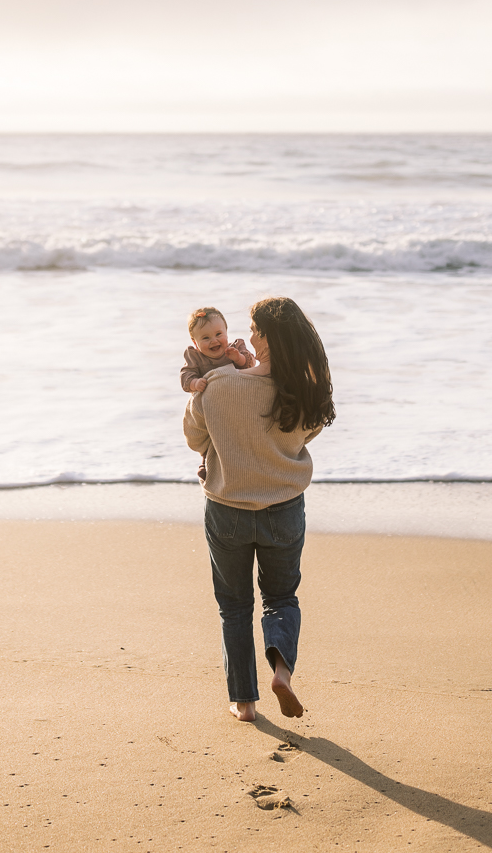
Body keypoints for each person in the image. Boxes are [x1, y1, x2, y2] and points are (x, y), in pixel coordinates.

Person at [182, 296, 335, 722]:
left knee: (234, 606)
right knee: (281, 597)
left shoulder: (217, 383)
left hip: (227, 508)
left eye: (253, 330)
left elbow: (195, 439)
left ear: (267, 338)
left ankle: (245, 702)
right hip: (283, 508)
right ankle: (282, 672)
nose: (247, 337)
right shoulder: (303, 389)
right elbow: (306, 435)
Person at [180, 306, 256, 395]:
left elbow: (251, 363)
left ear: (226, 333)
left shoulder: (236, 348)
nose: (214, 341)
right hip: (209, 399)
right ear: (195, 343)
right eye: (206, 338)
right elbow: (185, 378)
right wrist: (195, 383)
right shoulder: (195, 358)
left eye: (218, 334)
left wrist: (239, 358)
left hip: (237, 394)